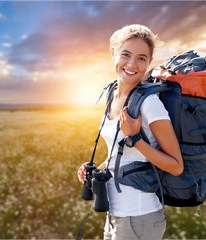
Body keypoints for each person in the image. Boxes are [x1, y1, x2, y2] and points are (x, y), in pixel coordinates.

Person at [77, 24, 184, 240]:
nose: (132, 64)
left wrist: (135, 138)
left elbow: (176, 167)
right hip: (115, 214)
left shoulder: (150, 104)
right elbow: (121, 154)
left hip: (139, 217)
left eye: (142, 58)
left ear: (148, 63)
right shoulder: (111, 95)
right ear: (113, 53)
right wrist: (98, 168)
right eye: (126, 54)